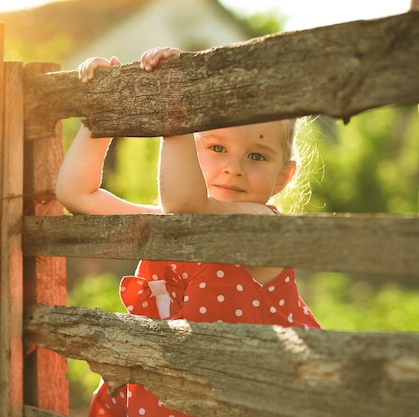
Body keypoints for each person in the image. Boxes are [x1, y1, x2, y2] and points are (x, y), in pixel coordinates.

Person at [56, 47, 321, 417]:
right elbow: (77, 194)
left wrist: (174, 109)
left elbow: (186, 204)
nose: (234, 168)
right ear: (192, 152)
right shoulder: (171, 223)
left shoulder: (260, 224)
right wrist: (103, 111)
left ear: (283, 176)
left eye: (257, 155)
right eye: (216, 147)